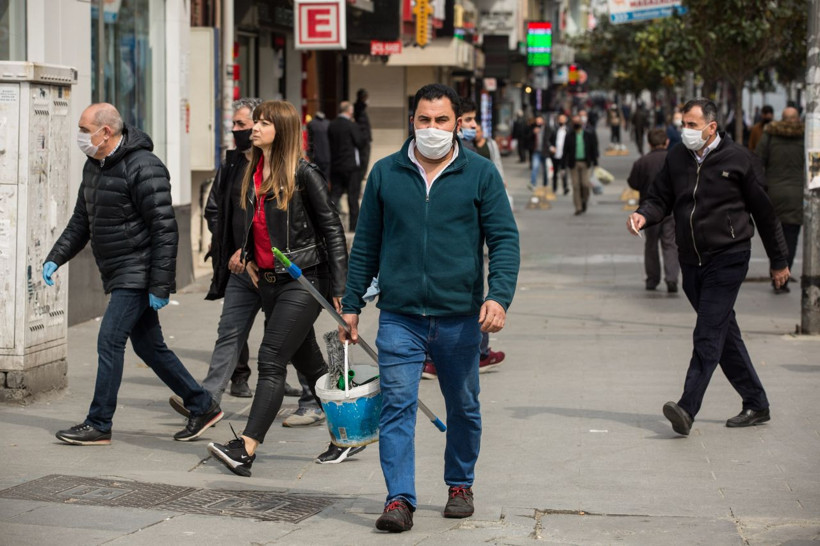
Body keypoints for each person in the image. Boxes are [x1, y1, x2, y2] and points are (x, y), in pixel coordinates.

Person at [340, 83, 520, 532]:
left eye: (442, 120)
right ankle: (399, 498)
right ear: (412, 121)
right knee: (397, 404)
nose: (433, 128)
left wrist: (498, 296)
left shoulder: (480, 174)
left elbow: (504, 240)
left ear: (458, 123)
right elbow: (365, 244)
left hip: (460, 317)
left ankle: (460, 484)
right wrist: (351, 304)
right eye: (425, 119)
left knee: (463, 404)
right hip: (400, 316)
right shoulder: (385, 173)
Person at [43, 103, 222, 445]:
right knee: (149, 347)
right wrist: (56, 257)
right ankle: (202, 405)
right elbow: (82, 222)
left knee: (109, 339)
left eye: (84, 130)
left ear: (106, 132)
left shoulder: (144, 166)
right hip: (119, 270)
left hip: (137, 271)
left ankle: (99, 423)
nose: (80, 136)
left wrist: (159, 285)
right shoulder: (94, 165)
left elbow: (165, 230)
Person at [207, 100, 359, 476]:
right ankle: (349, 434)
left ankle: (246, 447)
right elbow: (254, 223)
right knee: (309, 364)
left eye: (263, 123)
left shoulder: (304, 173)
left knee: (271, 358)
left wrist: (341, 290)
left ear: (283, 130)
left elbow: (333, 231)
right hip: (270, 282)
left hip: (304, 280)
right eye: (253, 122)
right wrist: (248, 256)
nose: (254, 128)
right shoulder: (252, 170)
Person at [627, 98, 789, 437]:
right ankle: (756, 402)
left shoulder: (739, 160)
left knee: (707, 332)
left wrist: (779, 261)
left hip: (729, 256)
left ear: (711, 127)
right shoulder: (676, 157)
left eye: (691, 125)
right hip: (692, 260)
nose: (684, 131)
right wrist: (644, 214)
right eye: (682, 124)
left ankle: (687, 407)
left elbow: (765, 212)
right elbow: (660, 198)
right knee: (722, 332)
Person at [169, 97, 324, 432]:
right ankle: (209, 402)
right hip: (246, 269)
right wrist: (238, 251)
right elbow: (227, 214)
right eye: (241, 125)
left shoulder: (299, 172)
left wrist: (338, 290)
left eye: (250, 124)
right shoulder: (236, 166)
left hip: (287, 274)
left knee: (291, 343)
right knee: (231, 332)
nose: (244, 130)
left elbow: (322, 230)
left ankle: (315, 402)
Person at [756, 106, 804, 294]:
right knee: (791, 237)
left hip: (773, 193)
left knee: (774, 235)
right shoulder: (806, 136)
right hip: (797, 194)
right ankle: (783, 279)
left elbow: (758, 160)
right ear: (797, 119)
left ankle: (775, 271)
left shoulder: (770, 135)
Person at [627, 128, 679, 292]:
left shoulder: (642, 162)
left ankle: (652, 279)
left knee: (651, 244)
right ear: (667, 142)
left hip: (648, 210)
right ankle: (672, 278)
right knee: (670, 243)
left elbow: (633, 183)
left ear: (649, 144)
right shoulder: (675, 160)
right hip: (671, 209)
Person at [328, 100, 367, 232]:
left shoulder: (331, 125)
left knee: (335, 194)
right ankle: (353, 226)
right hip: (351, 166)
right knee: (353, 197)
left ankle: (329, 221)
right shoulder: (351, 125)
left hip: (336, 165)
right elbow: (360, 142)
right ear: (349, 111)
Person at [563, 112, 599, 215]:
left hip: (585, 163)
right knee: (575, 185)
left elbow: (593, 149)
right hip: (573, 163)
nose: (576, 123)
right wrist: (563, 166)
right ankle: (578, 207)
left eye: (578, 122)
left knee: (585, 184)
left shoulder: (588, 134)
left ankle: (584, 201)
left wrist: (595, 163)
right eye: (574, 122)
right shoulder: (569, 135)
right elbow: (565, 151)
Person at [528, 114, 551, 189]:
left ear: (543, 121)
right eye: (537, 121)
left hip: (545, 152)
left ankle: (545, 184)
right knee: (535, 167)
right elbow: (527, 138)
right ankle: (533, 183)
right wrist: (533, 132)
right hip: (536, 151)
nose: (538, 122)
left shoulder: (547, 129)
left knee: (545, 169)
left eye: (540, 120)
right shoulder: (533, 128)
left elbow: (550, 139)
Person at [354, 89, 373, 180]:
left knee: (364, 159)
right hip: (363, 140)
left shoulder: (361, 108)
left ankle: (361, 176)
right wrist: (365, 138)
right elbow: (361, 126)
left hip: (365, 139)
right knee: (363, 160)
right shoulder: (359, 109)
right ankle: (361, 177)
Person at [306, 111, 331, 181]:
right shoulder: (327, 123)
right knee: (322, 178)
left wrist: (309, 154)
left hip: (318, 156)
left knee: (318, 178)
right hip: (324, 156)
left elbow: (309, 141)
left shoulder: (312, 124)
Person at [549, 113, 569, 194]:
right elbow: (549, 140)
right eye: (560, 119)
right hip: (555, 155)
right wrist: (551, 147)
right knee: (555, 172)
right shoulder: (554, 130)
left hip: (564, 155)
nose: (561, 121)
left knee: (564, 172)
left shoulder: (568, 130)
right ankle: (554, 188)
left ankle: (565, 187)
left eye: (563, 119)